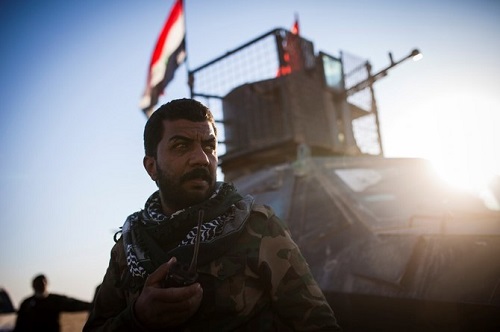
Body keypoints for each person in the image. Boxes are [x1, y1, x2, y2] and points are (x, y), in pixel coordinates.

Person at [83, 98, 341, 331]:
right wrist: (138, 317)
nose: (202, 159)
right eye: (181, 146)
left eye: (209, 146)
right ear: (152, 167)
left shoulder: (257, 227)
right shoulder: (128, 249)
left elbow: (318, 324)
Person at [14, 274, 92, 332]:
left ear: (46, 284)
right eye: (38, 283)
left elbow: (73, 304)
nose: (41, 284)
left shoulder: (55, 300)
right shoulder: (26, 304)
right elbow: (19, 325)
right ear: (33, 285)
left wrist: (92, 306)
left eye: (43, 282)